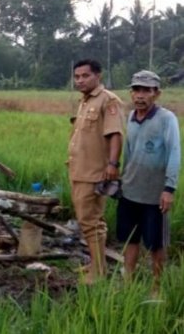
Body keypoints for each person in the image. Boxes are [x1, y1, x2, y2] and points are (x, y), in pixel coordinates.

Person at [116, 70, 181, 290]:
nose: (140, 95)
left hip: (155, 195)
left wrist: (169, 188)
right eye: (136, 90)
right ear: (131, 93)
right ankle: (128, 284)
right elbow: (128, 153)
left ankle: (156, 287)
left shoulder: (166, 119)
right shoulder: (132, 118)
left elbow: (174, 152)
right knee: (130, 239)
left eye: (146, 90)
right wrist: (121, 180)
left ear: (156, 93)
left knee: (156, 243)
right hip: (130, 191)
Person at [68, 59, 124, 284]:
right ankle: (96, 263)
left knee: (90, 221)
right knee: (91, 221)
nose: (80, 80)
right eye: (77, 77)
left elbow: (115, 134)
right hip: (78, 170)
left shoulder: (108, 100)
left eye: (85, 76)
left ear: (98, 76)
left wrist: (112, 165)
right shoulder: (85, 101)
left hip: (93, 173)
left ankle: (98, 273)